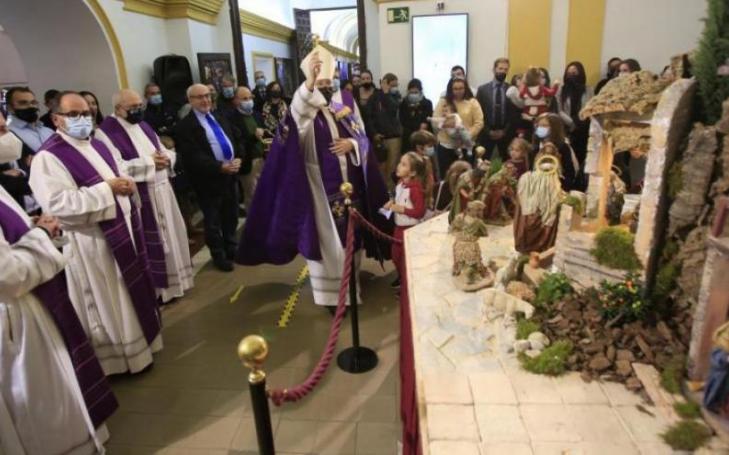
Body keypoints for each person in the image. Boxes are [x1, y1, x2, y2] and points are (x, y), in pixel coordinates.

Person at [236, 45, 391, 311]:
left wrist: (352, 146)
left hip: (349, 186)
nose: (325, 86)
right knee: (329, 244)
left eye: (328, 81)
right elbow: (297, 114)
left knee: (351, 241)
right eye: (320, 82)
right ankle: (333, 298)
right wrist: (308, 84)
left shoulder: (344, 103)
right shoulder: (305, 112)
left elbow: (362, 137)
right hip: (319, 189)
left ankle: (352, 284)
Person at [0, 132, 119, 454]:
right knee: (38, 398)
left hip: (29, 302)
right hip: (15, 316)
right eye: (0, 130)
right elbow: (7, 275)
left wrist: (30, 228)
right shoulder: (49, 157)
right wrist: (40, 235)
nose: (9, 137)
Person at [29, 91, 163, 375]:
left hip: (121, 231)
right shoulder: (48, 157)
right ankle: (119, 360)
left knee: (129, 294)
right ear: (56, 119)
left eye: (87, 113)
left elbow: (119, 173)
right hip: (91, 242)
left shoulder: (97, 145)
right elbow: (58, 204)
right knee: (110, 302)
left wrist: (123, 183)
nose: (83, 119)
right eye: (73, 115)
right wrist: (108, 189)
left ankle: (143, 348)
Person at [96, 88, 194, 303]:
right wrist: (151, 163)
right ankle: (160, 291)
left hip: (163, 190)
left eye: (139, 105)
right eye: (133, 107)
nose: (138, 110)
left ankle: (178, 282)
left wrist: (167, 158)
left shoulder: (144, 125)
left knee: (172, 237)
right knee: (156, 242)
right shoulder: (106, 132)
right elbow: (114, 167)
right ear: (118, 109)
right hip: (143, 196)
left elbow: (163, 149)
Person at [174, 84, 243, 272]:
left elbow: (236, 139)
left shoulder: (220, 116)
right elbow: (192, 156)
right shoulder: (184, 126)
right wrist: (219, 166)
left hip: (231, 175)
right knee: (213, 222)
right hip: (208, 180)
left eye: (207, 96)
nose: (205, 100)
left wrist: (238, 158)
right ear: (190, 100)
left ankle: (231, 248)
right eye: (199, 97)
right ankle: (218, 255)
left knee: (231, 216)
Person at [385, 152, 427, 288]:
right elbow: (399, 198)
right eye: (400, 162)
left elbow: (420, 212)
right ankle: (402, 278)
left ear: (413, 172)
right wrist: (391, 202)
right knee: (396, 257)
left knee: (405, 259)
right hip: (399, 228)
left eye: (403, 165)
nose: (398, 166)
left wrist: (401, 209)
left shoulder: (415, 190)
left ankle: (407, 284)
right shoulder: (401, 184)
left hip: (409, 230)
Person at [433, 78, 484, 179]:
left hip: (465, 145)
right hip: (446, 145)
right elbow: (436, 120)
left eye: (461, 88)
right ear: (450, 89)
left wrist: (466, 136)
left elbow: (479, 122)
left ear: (465, 88)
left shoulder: (472, 102)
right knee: (446, 176)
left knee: (464, 177)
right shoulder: (443, 101)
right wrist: (449, 130)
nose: (458, 91)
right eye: (455, 89)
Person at [556, 61, 593, 176]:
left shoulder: (589, 89)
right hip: (566, 128)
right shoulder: (561, 90)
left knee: (582, 157)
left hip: (583, 127)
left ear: (581, 73)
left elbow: (590, 107)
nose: (572, 74)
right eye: (569, 72)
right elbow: (559, 110)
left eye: (575, 72)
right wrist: (572, 122)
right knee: (568, 158)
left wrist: (579, 120)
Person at [366, 73, 403, 187]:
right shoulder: (374, 97)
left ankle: (391, 192)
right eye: (392, 85)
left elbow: (393, 110)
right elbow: (369, 117)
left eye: (396, 85)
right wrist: (374, 133)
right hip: (379, 138)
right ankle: (382, 194)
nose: (394, 88)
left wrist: (386, 94)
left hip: (394, 138)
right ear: (384, 83)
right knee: (380, 167)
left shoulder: (396, 96)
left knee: (392, 168)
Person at [231, 86, 265, 209]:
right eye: (245, 98)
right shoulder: (232, 119)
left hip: (263, 159)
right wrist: (254, 137)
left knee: (266, 193)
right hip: (248, 162)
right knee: (252, 196)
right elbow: (237, 142)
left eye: (250, 97)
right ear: (236, 100)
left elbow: (264, 132)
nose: (248, 101)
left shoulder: (256, 115)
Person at [476, 57, 513, 160]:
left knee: (507, 163)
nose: (503, 71)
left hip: (505, 134)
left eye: (506, 69)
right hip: (486, 133)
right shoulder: (482, 90)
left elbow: (512, 114)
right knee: (483, 162)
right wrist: (488, 131)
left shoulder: (511, 89)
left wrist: (504, 131)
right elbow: (479, 113)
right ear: (494, 69)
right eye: (500, 68)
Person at [533, 112, 579, 191]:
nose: (540, 128)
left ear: (554, 128)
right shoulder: (536, 148)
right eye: (538, 125)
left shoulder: (564, 148)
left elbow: (571, 173)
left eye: (544, 126)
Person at [399, 78, 433, 154]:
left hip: (424, 138)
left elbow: (425, 122)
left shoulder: (427, 103)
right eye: (411, 92)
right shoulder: (403, 104)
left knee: (427, 161)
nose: (413, 94)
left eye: (416, 92)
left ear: (420, 92)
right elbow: (403, 121)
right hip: (408, 139)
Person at [409, 130, 437, 208]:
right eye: (430, 146)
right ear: (419, 147)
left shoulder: (427, 160)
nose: (432, 148)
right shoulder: (413, 162)